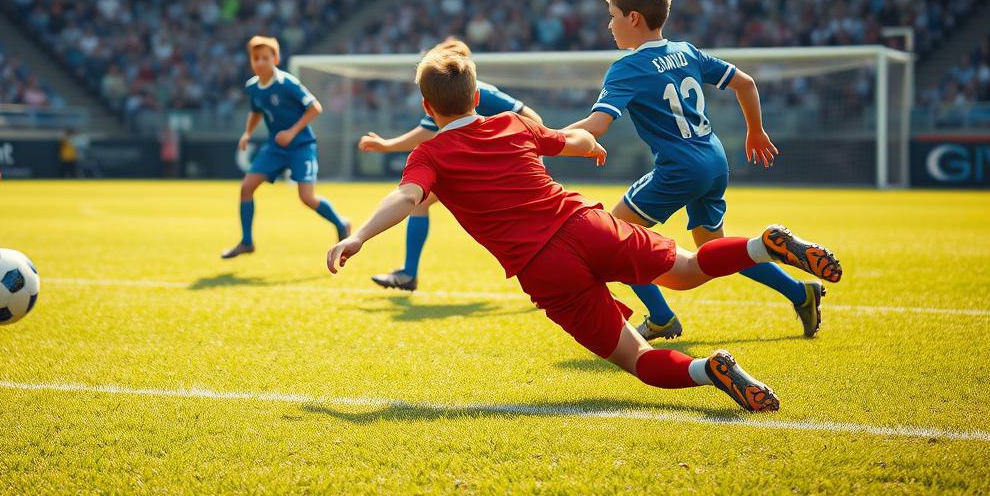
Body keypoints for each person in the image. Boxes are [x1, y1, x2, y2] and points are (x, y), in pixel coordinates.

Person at [327, 49, 841, 412]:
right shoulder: (513, 124)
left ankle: (710, 369)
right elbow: (566, 139)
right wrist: (589, 146)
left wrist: (359, 236)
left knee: (638, 359)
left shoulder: (429, 153)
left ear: (427, 108)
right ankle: (762, 243)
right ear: (478, 95)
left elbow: (405, 197)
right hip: (586, 223)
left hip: (546, 268)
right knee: (686, 269)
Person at [565, 0, 824, 341]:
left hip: (680, 169)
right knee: (714, 248)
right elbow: (746, 83)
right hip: (714, 159)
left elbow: (597, 125)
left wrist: (542, 138)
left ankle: (660, 317)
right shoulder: (685, 51)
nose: (609, 25)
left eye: (612, 16)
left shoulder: (627, 67)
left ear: (633, 18)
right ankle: (801, 293)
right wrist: (755, 130)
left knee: (614, 240)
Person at [357, 38, 544, 291]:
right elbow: (426, 132)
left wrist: (533, 155)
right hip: (476, 164)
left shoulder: (480, 92)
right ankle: (408, 274)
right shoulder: (443, 92)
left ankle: (554, 270)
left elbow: (531, 117)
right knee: (420, 203)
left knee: (525, 220)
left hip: (499, 165)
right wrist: (387, 145)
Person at [222, 36, 350, 259]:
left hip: (301, 146)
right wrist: (248, 133)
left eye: (265, 57)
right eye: (256, 58)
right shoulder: (253, 87)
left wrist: (292, 131)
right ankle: (246, 242)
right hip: (276, 147)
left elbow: (315, 108)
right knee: (246, 187)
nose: (260, 62)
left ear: (276, 58)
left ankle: (341, 224)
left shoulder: (287, 83)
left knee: (307, 198)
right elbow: (256, 111)